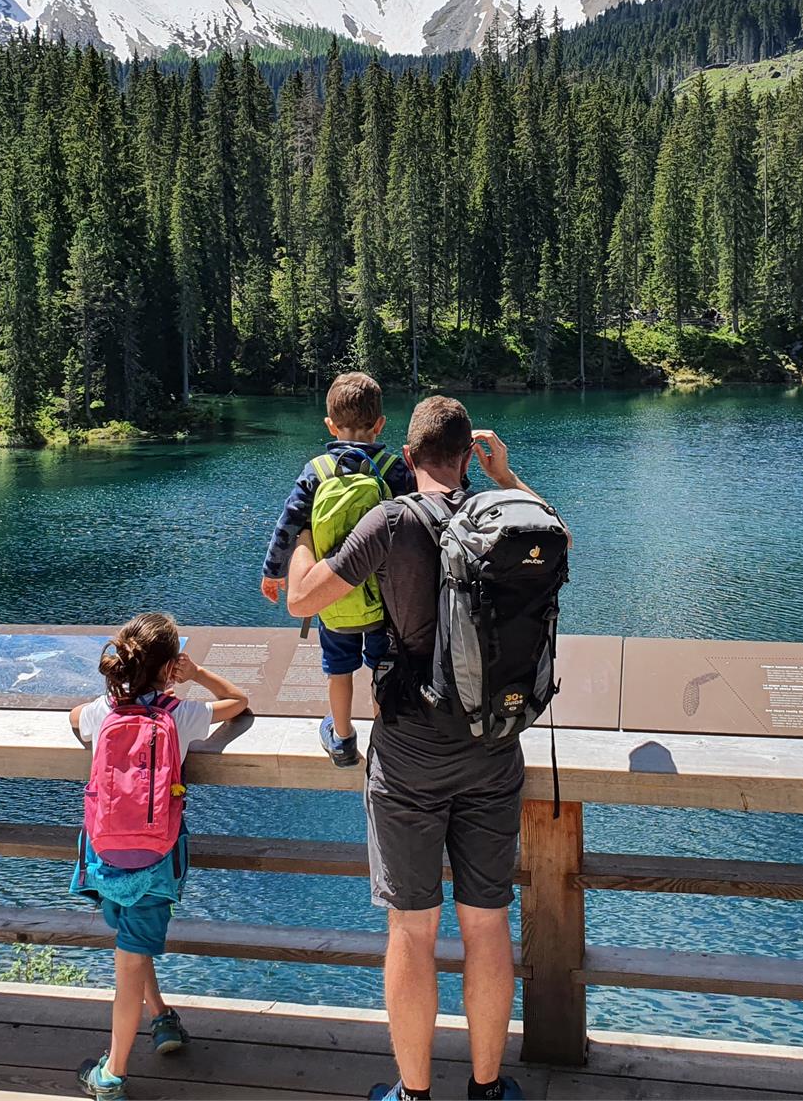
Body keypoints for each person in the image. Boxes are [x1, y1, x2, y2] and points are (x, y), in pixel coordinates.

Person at [286, 397, 538, 1101]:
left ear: (408, 452)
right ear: (466, 455)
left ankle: (415, 1093)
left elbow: (302, 600)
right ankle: (488, 1089)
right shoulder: (504, 517)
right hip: (493, 744)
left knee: (412, 929)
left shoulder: (391, 521)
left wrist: (305, 532)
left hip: (409, 750)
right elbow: (560, 534)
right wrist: (508, 475)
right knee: (487, 925)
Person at [69, 611, 249, 1101]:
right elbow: (239, 703)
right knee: (131, 961)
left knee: (129, 949)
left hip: (103, 858)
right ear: (170, 667)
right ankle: (115, 1077)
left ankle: (154, 1026)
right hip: (156, 862)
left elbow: (72, 719)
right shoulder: (180, 714)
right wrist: (198, 676)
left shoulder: (100, 713)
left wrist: (112, 696)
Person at [259, 371, 415, 767]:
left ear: (329, 424)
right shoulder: (394, 469)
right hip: (385, 601)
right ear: (380, 424)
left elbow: (288, 525)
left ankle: (343, 738)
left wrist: (273, 570)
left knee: (339, 670)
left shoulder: (316, 471)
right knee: (383, 667)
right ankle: (389, 736)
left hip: (334, 599)